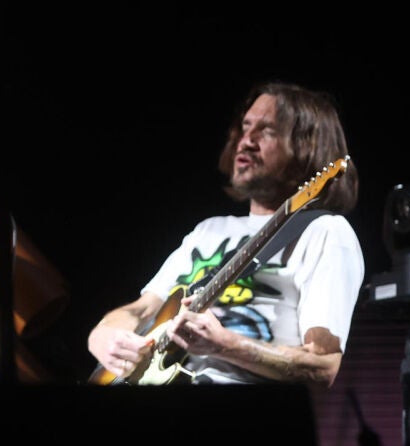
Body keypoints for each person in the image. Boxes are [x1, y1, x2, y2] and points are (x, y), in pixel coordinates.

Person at [87, 81, 363, 388]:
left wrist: (224, 345)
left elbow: (323, 365)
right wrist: (103, 335)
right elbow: (141, 309)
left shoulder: (325, 231)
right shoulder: (208, 230)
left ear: (307, 147)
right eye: (245, 127)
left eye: (267, 130)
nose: (246, 141)